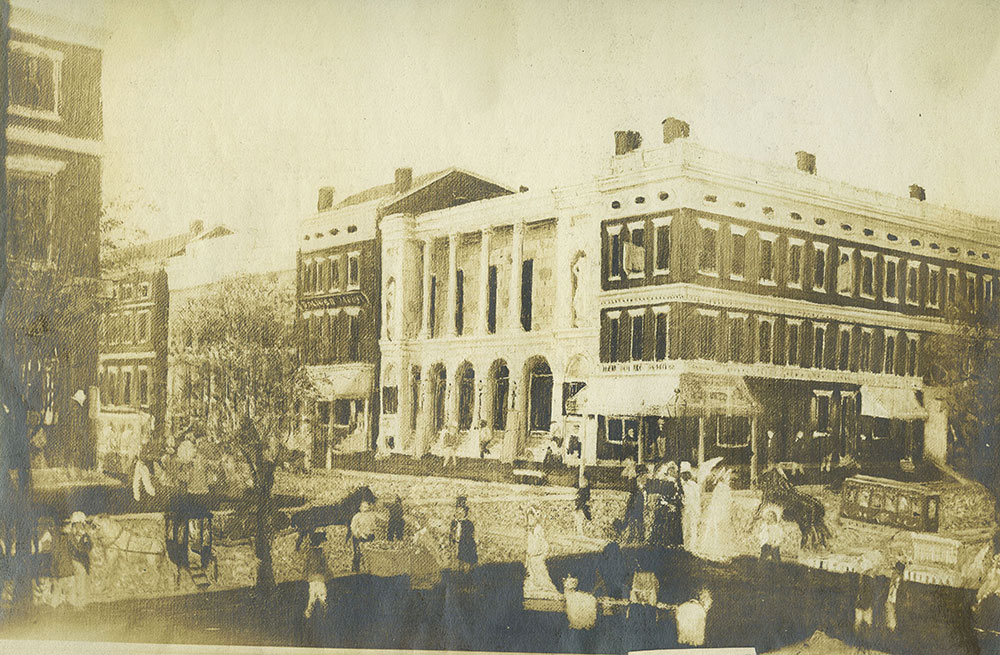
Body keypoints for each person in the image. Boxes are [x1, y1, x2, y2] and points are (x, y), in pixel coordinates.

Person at [523, 508, 558, 597]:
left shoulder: (538, 529)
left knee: (540, 570)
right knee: (532, 571)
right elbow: (530, 544)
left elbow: (540, 544)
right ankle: (535, 586)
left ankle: (544, 587)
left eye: (532, 518)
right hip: (532, 555)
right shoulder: (531, 531)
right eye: (529, 519)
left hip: (538, 554)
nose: (530, 521)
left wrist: (534, 552)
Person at [650, 462, 683, 548]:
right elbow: (663, 495)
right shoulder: (667, 482)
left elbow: (677, 495)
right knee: (665, 522)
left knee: (674, 522)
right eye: (671, 471)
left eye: (674, 471)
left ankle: (673, 542)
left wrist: (677, 501)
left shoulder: (675, 482)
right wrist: (668, 503)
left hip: (673, 505)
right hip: (666, 504)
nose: (673, 473)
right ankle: (662, 541)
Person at [303, 531, 332, 619]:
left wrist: (305, 575)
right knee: (323, 598)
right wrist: (329, 575)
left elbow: (306, 565)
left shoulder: (309, 552)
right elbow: (324, 565)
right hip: (320, 578)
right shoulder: (321, 553)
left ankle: (308, 614)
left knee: (312, 598)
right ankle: (325, 615)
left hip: (312, 578)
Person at [66, 511, 92, 608]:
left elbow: (89, 548)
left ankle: (82, 603)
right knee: (77, 581)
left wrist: (86, 540)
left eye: (80, 525)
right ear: (73, 526)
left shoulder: (85, 536)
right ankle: (76, 603)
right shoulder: (70, 537)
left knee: (83, 582)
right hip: (74, 560)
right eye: (76, 525)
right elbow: (73, 550)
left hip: (83, 562)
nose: (78, 528)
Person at [349, 500, 377, 573]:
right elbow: (353, 527)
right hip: (359, 538)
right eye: (364, 507)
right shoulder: (357, 516)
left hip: (369, 538)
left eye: (367, 507)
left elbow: (374, 527)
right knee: (358, 554)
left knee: (368, 554)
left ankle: (368, 570)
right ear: (360, 508)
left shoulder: (371, 516)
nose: (366, 508)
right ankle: (356, 571)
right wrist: (359, 534)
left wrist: (371, 534)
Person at [680, 461, 701, 548]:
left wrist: (698, 511)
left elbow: (697, 499)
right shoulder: (680, 485)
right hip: (683, 511)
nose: (685, 475)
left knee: (693, 529)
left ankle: (692, 547)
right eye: (683, 473)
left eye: (687, 473)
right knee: (684, 529)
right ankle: (684, 546)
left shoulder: (694, 486)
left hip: (692, 510)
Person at [451, 505, 477, 572]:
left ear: (465, 513)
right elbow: (452, 533)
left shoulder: (468, 523)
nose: (459, 515)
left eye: (461, 513)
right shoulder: (454, 523)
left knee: (465, 564)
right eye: (457, 512)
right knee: (456, 564)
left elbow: (469, 537)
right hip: (456, 545)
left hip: (465, 546)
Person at [885, 561, 905, 632]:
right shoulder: (899, 576)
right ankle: (892, 626)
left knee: (891, 609)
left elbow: (892, 586)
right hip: (894, 596)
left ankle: (891, 626)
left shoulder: (896, 575)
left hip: (893, 596)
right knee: (893, 610)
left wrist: (889, 595)